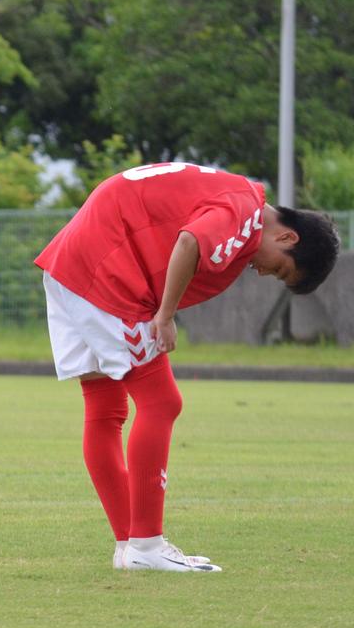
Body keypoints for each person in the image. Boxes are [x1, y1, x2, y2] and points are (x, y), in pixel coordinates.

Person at [35, 162, 340, 573]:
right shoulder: (247, 211)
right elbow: (189, 241)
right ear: (287, 236)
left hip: (73, 262)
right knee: (162, 403)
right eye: (280, 268)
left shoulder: (235, 194)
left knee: (105, 410)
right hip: (109, 270)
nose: (265, 272)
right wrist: (164, 315)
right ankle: (146, 545)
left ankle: (129, 546)